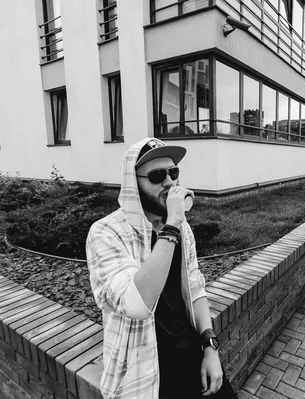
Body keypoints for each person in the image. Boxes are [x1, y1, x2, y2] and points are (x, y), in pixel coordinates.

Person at [86, 137, 237, 399]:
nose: (169, 182)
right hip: (142, 368)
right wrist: (172, 225)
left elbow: (195, 286)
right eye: (156, 176)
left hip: (191, 350)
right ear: (134, 184)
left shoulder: (181, 229)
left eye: (173, 172)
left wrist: (210, 345)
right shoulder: (107, 232)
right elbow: (136, 305)